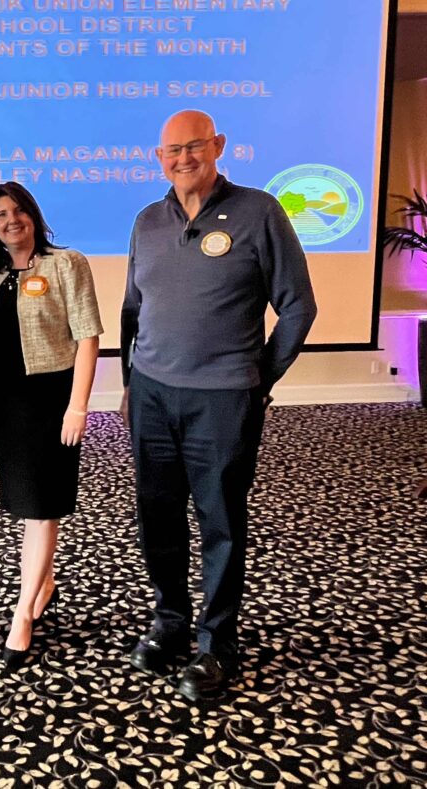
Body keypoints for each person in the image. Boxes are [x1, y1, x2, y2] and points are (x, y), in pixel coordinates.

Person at [121, 110, 317, 700]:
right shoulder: (147, 221)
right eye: (172, 150)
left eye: (194, 147)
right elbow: (134, 310)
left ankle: (216, 644)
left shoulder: (259, 212)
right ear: (159, 159)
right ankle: (170, 624)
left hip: (224, 398)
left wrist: (259, 378)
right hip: (153, 394)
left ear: (218, 146)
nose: (183, 158)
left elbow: (299, 306)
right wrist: (130, 377)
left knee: (221, 523)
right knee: (157, 518)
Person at [0, 182, 102, 669]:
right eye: (1, 214)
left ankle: (23, 613)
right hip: (8, 399)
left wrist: (79, 406)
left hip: (53, 399)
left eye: (19, 211)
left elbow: (88, 336)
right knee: (26, 500)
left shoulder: (65, 263)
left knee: (41, 506)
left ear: (34, 215)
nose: (12, 220)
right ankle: (44, 582)